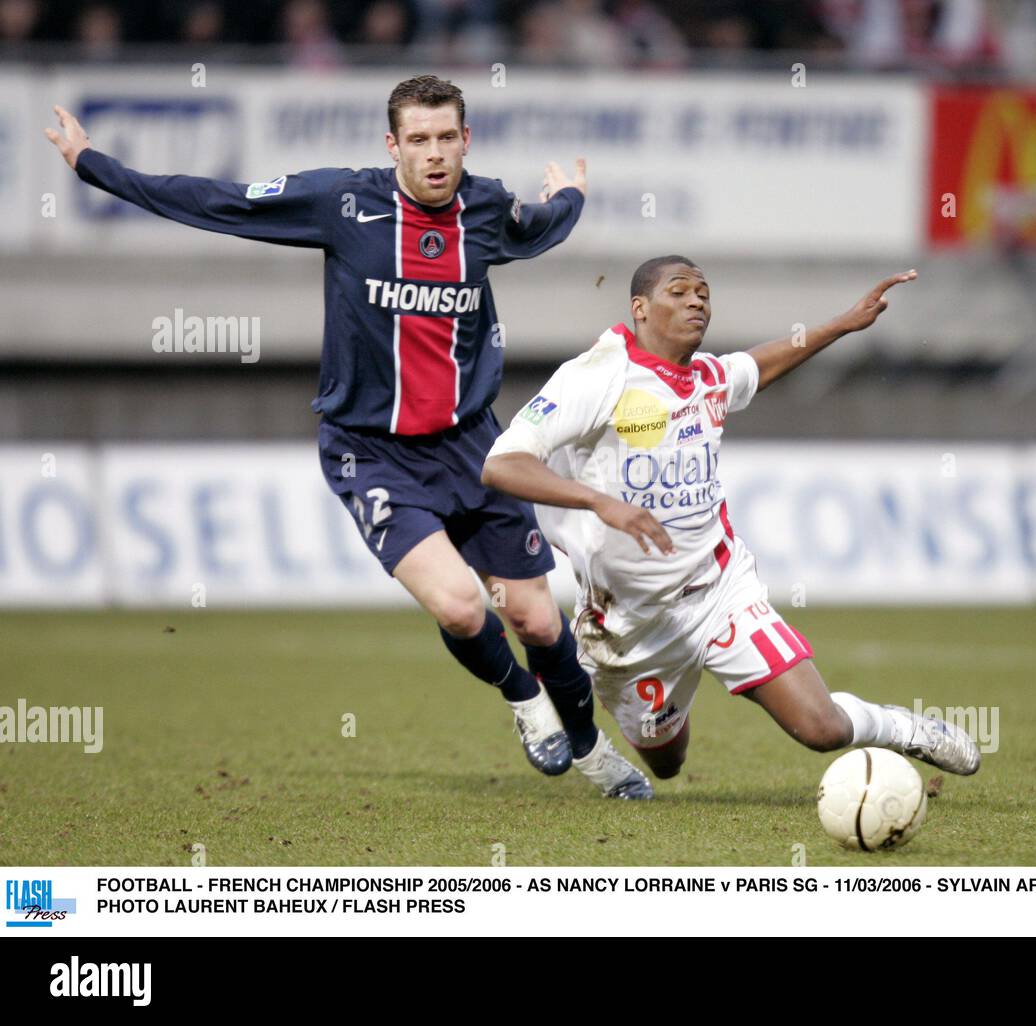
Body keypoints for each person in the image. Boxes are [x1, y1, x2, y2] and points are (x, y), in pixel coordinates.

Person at [44, 74, 653, 800]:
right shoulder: (343, 203)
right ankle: (525, 701)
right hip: (372, 450)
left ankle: (593, 752)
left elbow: (539, 226)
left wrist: (571, 197)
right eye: (419, 140)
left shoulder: (484, 207)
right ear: (392, 144)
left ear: (467, 140)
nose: (434, 154)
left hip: (471, 446)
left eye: (447, 138)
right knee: (461, 606)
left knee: (536, 617)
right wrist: (94, 165)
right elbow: (221, 202)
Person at [481, 256, 981, 782]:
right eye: (680, 291)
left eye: (704, 292)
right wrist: (599, 501)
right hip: (628, 626)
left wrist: (842, 324)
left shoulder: (707, 380)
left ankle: (902, 729)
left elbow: (758, 364)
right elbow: (502, 464)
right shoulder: (598, 376)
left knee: (821, 728)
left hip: (719, 591)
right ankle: (641, 714)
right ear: (640, 308)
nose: (697, 300)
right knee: (667, 762)